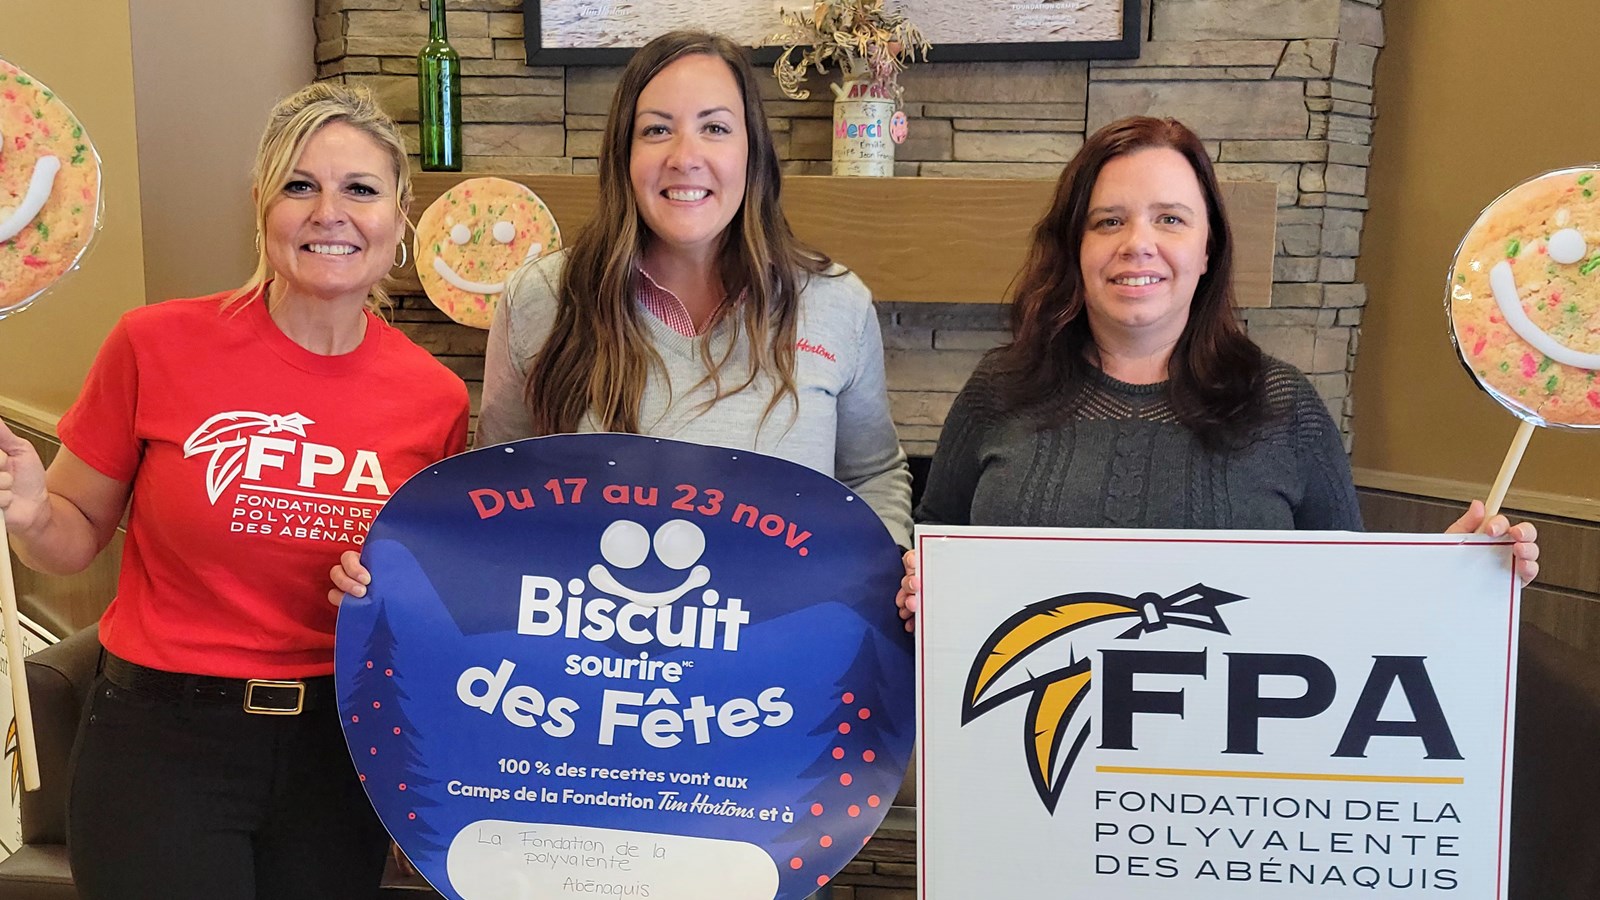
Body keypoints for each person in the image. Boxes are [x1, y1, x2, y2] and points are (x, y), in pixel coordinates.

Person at [0, 83, 469, 899]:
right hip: (160, 747)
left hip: (342, 750)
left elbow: (426, 603)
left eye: (360, 188)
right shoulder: (157, 343)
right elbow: (72, 532)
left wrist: (398, 597)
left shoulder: (436, 399)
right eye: (300, 185)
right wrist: (33, 509)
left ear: (399, 221)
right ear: (263, 208)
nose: (330, 211)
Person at [333, 29, 908, 612]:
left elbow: (875, 475)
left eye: (715, 127)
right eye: (656, 129)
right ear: (623, 157)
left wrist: (873, 597)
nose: (685, 156)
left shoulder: (836, 303)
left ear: (752, 150)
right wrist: (401, 568)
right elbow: (496, 493)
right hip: (590, 673)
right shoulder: (542, 299)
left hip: (775, 674)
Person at [895, 116, 1537, 627]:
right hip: (1025, 762)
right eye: (1108, 221)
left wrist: (1447, 575)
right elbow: (929, 560)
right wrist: (918, 594)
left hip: (1222, 781)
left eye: (1170, 219)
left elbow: (1351, 607)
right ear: (1075, 248)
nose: (1136, 243)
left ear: (1208, 250)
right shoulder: (997, 392)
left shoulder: (1284, 407)